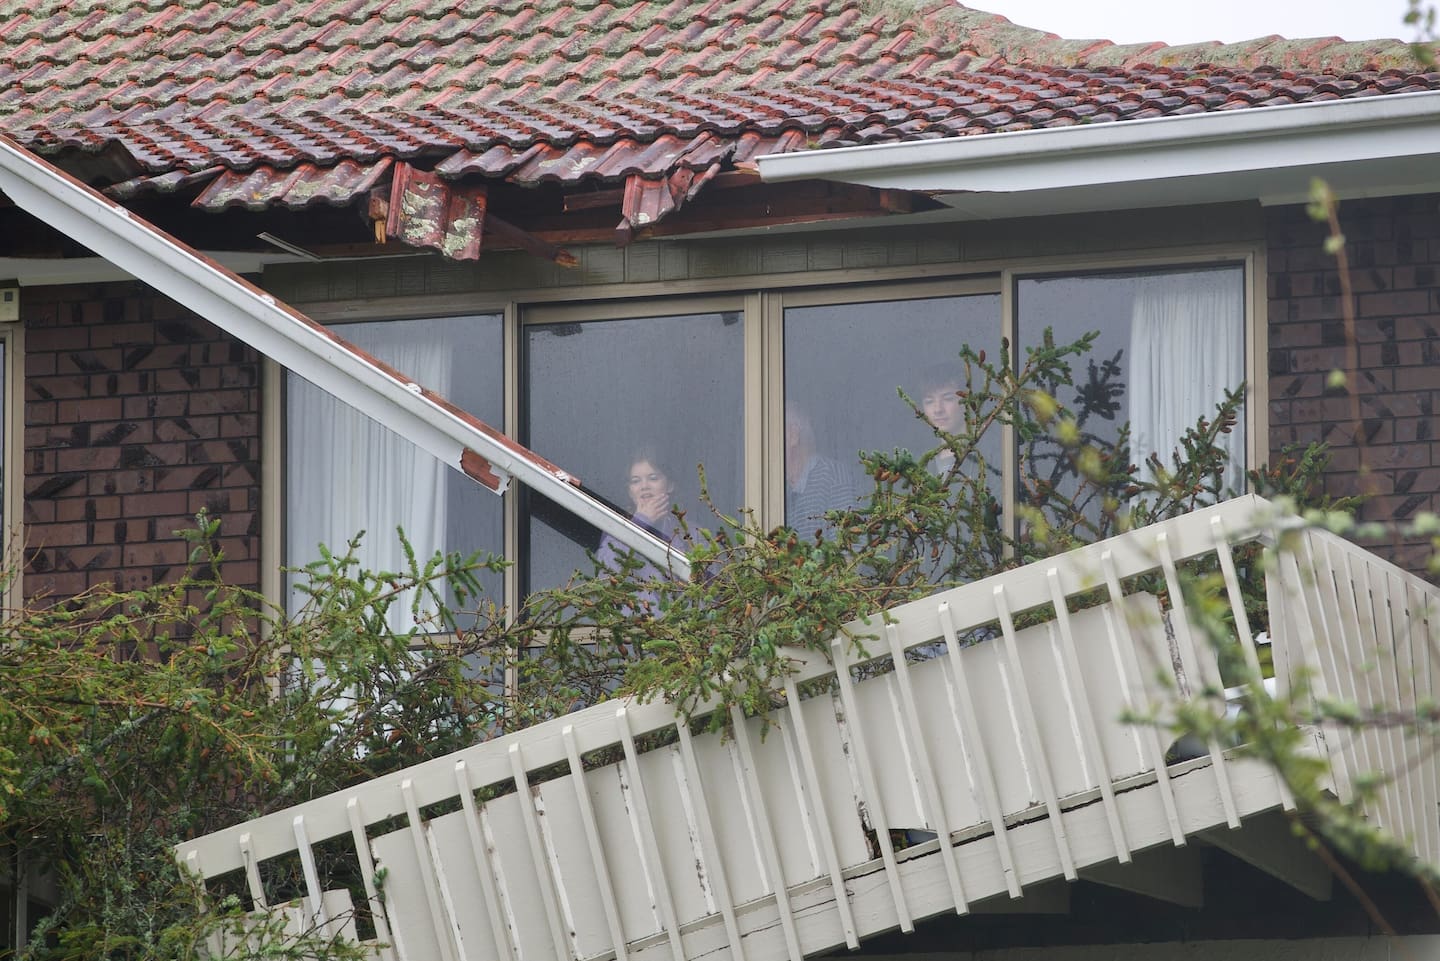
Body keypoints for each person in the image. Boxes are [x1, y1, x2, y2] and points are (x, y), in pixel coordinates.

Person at [595, 450, 683, 614]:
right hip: (632, 631)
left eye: (653, 478)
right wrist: (641, 521)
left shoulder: (690, 532)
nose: (644, 487)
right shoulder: (616, 530)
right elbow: (607, 577)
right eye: (636, 481)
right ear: (630, 491)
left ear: (670, 485)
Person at [785, 402, 856, 533]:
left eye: (770, 437)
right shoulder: (784, 492)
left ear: (793, 436)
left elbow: (850, 547)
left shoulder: (833, 476)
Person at [916, 363, 965, 475]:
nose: (938, 409)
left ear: (965, 401)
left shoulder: (991, 458)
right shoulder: (919, 466)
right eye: (929, 401)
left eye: (948, 399)